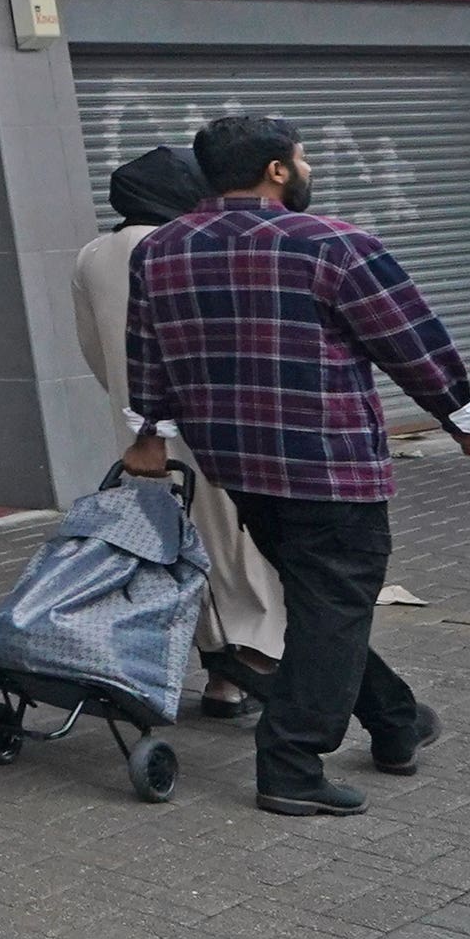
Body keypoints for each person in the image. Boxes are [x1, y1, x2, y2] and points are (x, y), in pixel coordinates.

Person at [121, 114, 470, 818]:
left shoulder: (161, 251)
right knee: (334, 602)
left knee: (324, 600)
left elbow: (146, 350)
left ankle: (394, 722)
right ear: (276, 171)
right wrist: (466, 422)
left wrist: (149, 432)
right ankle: (291, 761)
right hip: (328, 463)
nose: (307, 169)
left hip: (236, 464)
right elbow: (410, 339)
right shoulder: (332, 244)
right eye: (301, 159)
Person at [70, 142, 286, 719]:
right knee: (248, 548)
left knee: (187, 550)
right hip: (222, 427)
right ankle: (257, 670)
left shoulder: (93, 255)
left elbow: (93, 349)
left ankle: (219, 677)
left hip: (145, 436)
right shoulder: (188, 246)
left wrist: (131, 406)